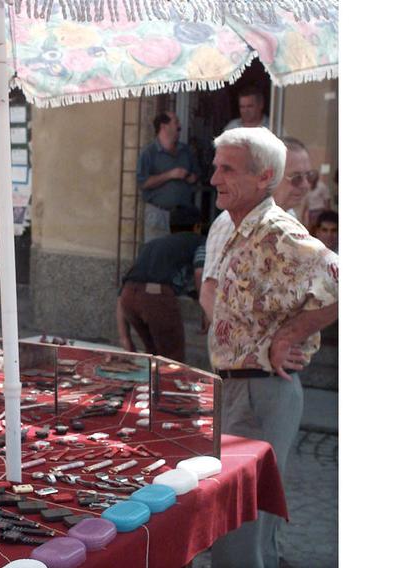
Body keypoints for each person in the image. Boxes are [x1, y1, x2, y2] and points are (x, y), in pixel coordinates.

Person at [204, 127, 339, 568]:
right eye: (215, 166)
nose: (213, 178)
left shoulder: (276, 230)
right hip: (240, 388)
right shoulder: (238, 228)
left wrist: (288, 337)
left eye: (227, 169)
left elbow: (340, 282)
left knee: (243, 526)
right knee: (233, 521)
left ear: (264, 177)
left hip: (262, 390)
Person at [199, 135, 318, 319]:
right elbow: (209, 293)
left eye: (310, 176)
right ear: (270, 176)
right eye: (296, 178)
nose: (305, 185)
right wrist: (244, 344)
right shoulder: (231, 221)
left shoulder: (289, 217)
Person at [116, 206, 204, 362]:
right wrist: (205, 310)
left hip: (127, 297)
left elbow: (123, 290)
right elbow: (200, 272)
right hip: (156, 297)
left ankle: (151, 385)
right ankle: (167, 385)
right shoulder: (198, 241)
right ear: (197, 226)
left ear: (171, 226)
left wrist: (125, 338)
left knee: (154, 354)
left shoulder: (152, 245)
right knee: (172, 359)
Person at [137, 111, 200, 242]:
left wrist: (191, 177)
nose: (179, 126)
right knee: (157, 255)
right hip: (158, 214)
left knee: (181, 256)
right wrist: (170, 175)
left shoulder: (186, 151)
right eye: (176, 122)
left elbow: (196, 176)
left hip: (183, 216)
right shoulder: (149, 153)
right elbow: (143, 183)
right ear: (164, 126)